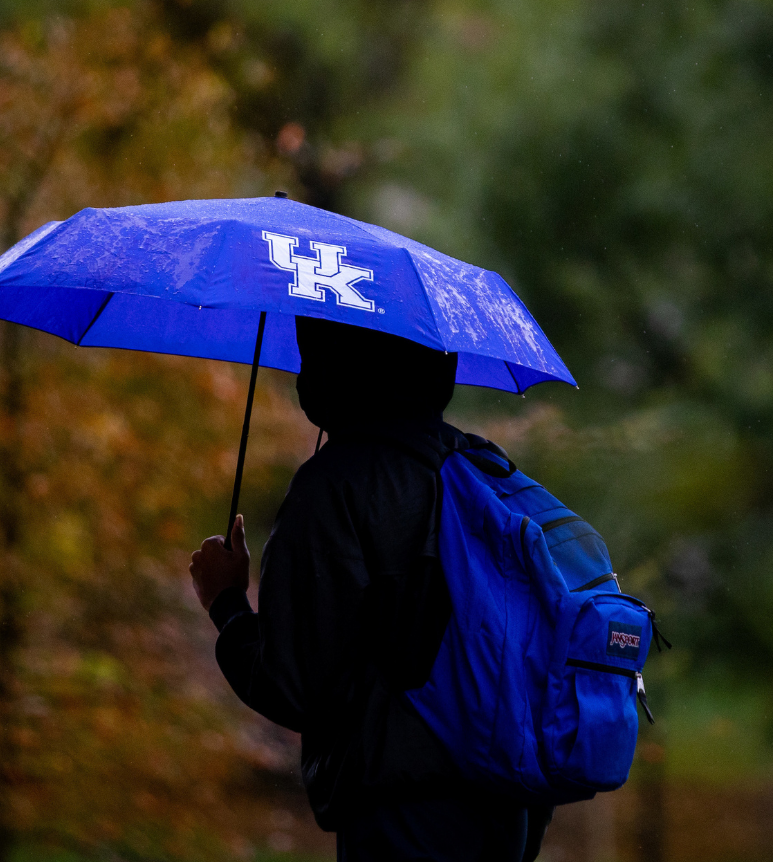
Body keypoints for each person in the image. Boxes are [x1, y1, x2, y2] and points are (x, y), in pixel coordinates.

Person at [188, 316, 553, 862]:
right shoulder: (485, 470)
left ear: (333, 372)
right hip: (511, 804)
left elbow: (296, 684)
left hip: (407, 813)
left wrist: (227, 604)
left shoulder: (334, 487)